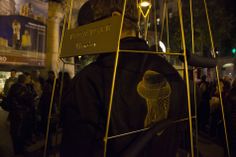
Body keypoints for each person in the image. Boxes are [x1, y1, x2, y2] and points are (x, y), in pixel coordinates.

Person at [61, 1, 187, 157]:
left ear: (116, 19)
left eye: (88, 27)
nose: (84, 37)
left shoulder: (89, 81)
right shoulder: (173, 74)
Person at [7, 74, 35, 156]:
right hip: (23, 114)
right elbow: (30, 101)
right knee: (22, 133)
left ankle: (16, 151)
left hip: (14, 114)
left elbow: (9, 99)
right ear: (24, 80)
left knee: (15, 133)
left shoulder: (13, 87)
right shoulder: (25, 89)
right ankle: (21, 151)